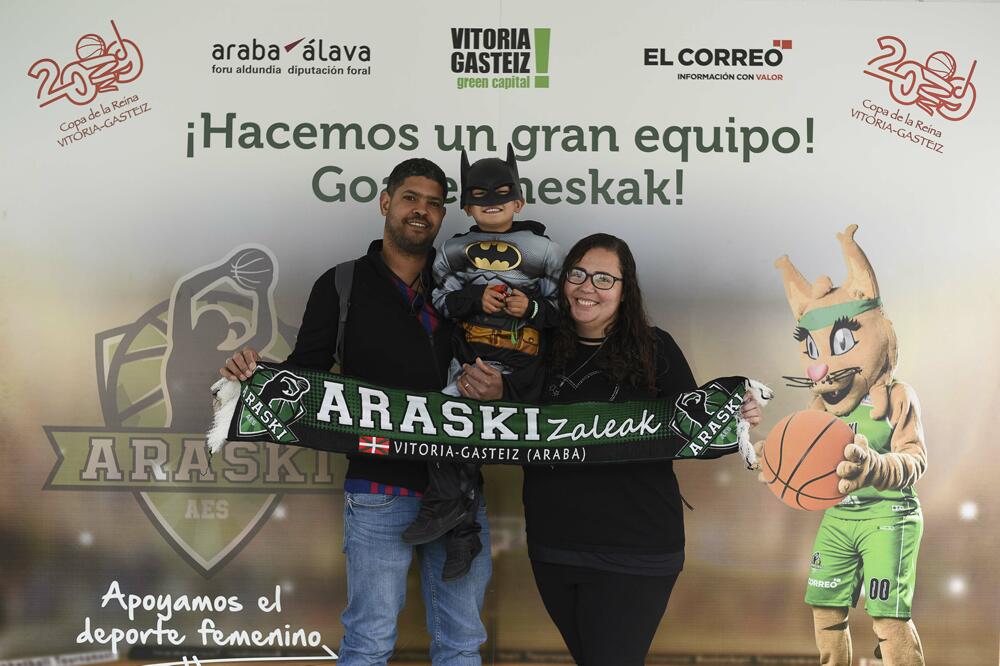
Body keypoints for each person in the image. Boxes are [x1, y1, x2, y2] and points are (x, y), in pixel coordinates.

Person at [219, 158, 497, 666]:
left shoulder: (464, 285)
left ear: (443, 215)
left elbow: (504, 361)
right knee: (369, 642)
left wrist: (499, 384)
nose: (422, 211)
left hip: (459, 489)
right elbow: (306, 375)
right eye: (410, 198)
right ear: (386, 202)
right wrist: (253, 373)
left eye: (434, 203)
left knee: (461, 642)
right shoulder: (341, 283)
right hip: (378, 489)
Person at [520, 233, 761, 665]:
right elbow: (508, 423)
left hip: (636, 549)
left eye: (603, 278)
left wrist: (736, 416)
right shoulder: (536, 345)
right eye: (577, 274)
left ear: (624, 290)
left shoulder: (655, 349)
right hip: (553, 546)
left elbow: (695, 430)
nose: (587, 287)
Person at [401, 145, 564, 582]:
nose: (491, 202)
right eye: (480, 196)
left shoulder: (545, 250)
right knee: (445, 430)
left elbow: (564, 310)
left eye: (501, 195)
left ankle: (457, 521)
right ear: (467, 206)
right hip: (471, 365)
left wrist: (530, 308)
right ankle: (458, 527)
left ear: (519, 203)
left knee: (476, 443)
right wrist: (473, 298)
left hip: (522, 368)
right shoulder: (453, 250)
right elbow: (439, 301)